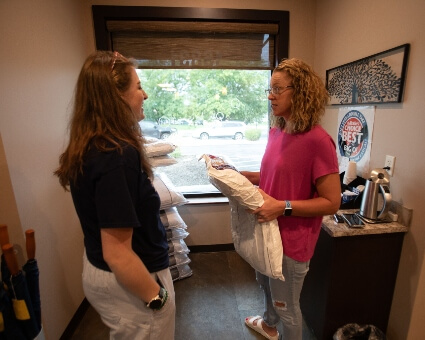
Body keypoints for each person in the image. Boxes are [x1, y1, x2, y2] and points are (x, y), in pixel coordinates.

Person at [54, 51, 175, 339]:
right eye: (137, 86)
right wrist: (157, 298)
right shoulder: (115, 155)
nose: (144, 95)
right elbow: (118, 253)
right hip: (133, 279)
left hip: (105, 271)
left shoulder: (94, 145)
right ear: (116, 96)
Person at [242, 58, 341, 340]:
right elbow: (273, 177)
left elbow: (331, 202)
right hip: (266, 233)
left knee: (288, 307)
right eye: (269, 89)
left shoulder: (318, 141)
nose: (270, 95)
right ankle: (269, 326)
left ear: (299, 91)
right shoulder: (277, 131)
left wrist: (282, 207)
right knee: (266, 286)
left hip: (292, 243)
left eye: (277, 89)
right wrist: (239, 176)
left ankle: (277, 322)